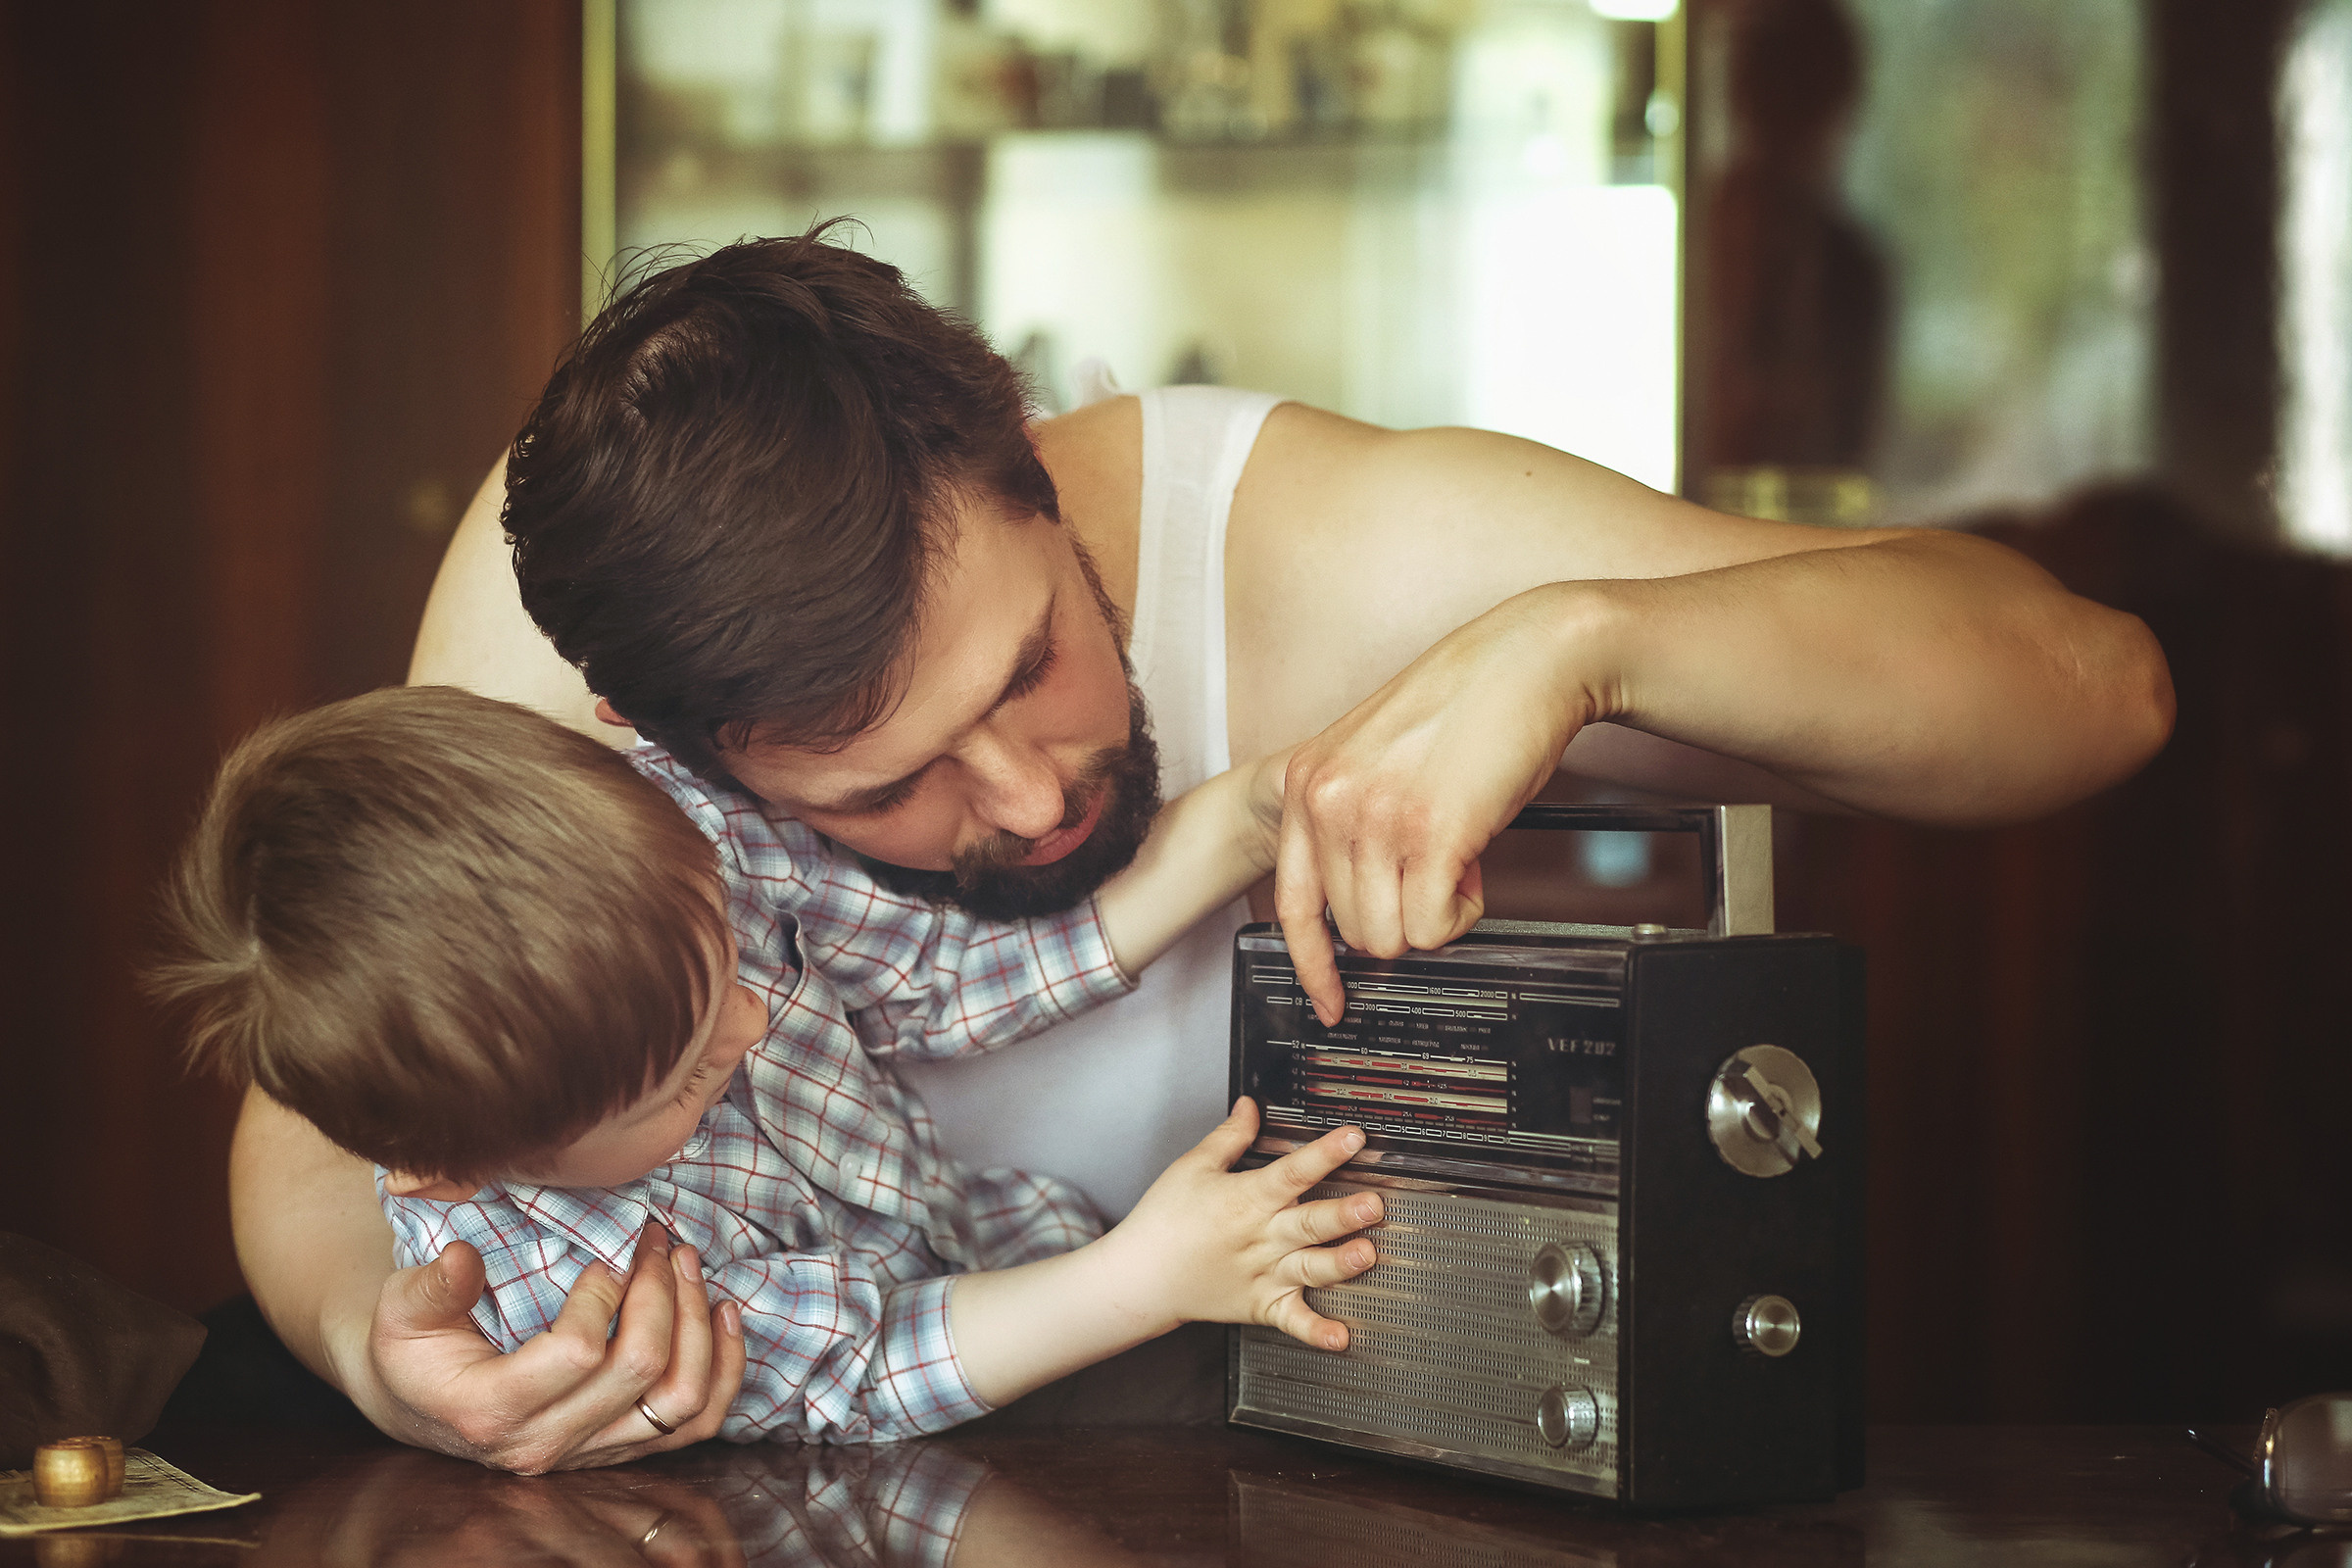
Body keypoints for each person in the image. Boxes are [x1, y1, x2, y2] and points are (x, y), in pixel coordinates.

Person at [230, 228, 2174, 1471]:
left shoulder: (1332, 543)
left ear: (1029, 453)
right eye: (879, 785)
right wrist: (391, 1358)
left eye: (1036, 659)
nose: (1023, 799)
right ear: (644, 744)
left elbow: (2092, 688)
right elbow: (337, 1107)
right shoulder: (554, 609)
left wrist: (1588, 637)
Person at [162, 685, 1377, 1451]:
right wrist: (1140, 1278)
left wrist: (1241, 826)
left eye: (730, 967)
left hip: (1001, 1230)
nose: (750, 1027)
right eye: (681, 1084)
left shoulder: (682, 830)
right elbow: (860, 1362)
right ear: (466, 1169)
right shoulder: (542, 1286)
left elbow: (938, 974)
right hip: (915, 1447)